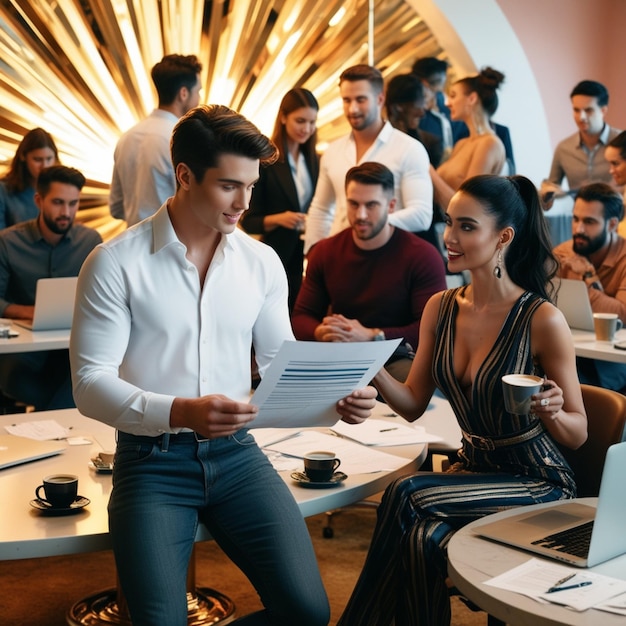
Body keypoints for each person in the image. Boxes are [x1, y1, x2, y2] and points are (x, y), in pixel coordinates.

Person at [70, 104, 376, 626]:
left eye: (252, 186)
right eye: (229, 186)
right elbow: (89, 384)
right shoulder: (114, 262)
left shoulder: (261, 262)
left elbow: (281, 362)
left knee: (307, 612)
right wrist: (179, 411)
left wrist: (339, 395)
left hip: (238, 458)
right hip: (151, 463)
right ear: (185, 176)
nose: (244, 202)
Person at [338, 174, 587, 626]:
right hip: (472, 470)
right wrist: (367, 365)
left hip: (536, 479)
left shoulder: (542, 319)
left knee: (406, 492)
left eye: (467, 226)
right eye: (449, 222)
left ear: (503, 237)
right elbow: (412, 402)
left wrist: (552, 412)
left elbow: (579, 432)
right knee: (420, 541)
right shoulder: (441, 307)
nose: (449, 237)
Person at [292, 162, 446, 383]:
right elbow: (301, 316)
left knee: (413, 380)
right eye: (353, 204)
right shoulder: (325, 251)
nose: (361, 214)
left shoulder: (422, 256)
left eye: (371, 205)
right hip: (339, 355)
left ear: (391, 206)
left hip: (395, 357)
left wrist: (373, 336)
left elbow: (432, 329)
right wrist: (321, 332)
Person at [0, 165, 101, 410]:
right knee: (22, 381)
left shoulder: (91, 241)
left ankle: (45, 431)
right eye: (57, 202)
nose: (66, 212)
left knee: (91, 376)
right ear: (39, 200)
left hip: (72, 348)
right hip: (23, 353)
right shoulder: (8, 242)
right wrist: (28, 311)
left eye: (73, 203)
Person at [303, 64, 432, 254]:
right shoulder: (333, 151)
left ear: (380, 99)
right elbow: (321, 210)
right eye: (346, 100)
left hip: (390, 257)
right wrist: (313, 253)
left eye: (360, 100)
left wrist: (367, 224)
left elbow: (421, 215)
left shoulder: (409, 149)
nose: (353, 108)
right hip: (339, 259)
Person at [241, 88, 319, 311]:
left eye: (312, 122)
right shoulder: (266, 160)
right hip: (275, 254)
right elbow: (249, 220)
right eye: (300, 121)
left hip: (305, 256)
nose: (307, 128)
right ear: (284, 117)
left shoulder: (314, 160)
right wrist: (279, 219)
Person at [109, 53, 203, 226]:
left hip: (132, 244)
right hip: (175, 245)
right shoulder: (185, 141)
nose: (199, 99)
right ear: (183, 93)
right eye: (198, 91)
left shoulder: (126, 138)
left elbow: (116, 208)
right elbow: (199, 205)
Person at [553, 183, 626, 391]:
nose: (579, 229)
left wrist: (587, 276)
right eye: (575, 219)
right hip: (570, 352)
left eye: (589, 222)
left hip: (613, 363)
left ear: (612, 224)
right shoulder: (563, 254)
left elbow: (621, 314)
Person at [430, 67, 506, 212]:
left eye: (453, 96)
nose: (447, 103)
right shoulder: (461, 144)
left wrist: (430, 172)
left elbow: (467, 206)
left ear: (472, 98)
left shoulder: (489, 144)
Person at [541, 80, 621, 209]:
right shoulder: (563, 148)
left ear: (603, 110)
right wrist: (547, 193)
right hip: (579, 221)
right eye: (576, 110)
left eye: (588, 110)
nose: (581, 117)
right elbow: (550, 194)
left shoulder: (622, 142)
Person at [0, 128, 59, 229]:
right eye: (37, 159)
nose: (44, 166)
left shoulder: (60, 189)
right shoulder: (4, 190)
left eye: (49, 159)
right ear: (23, 156)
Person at [384, 74, 443, 167]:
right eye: (417, 107)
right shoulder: (376, 142)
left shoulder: (430, 143)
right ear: (398, 107)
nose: (422, 113)